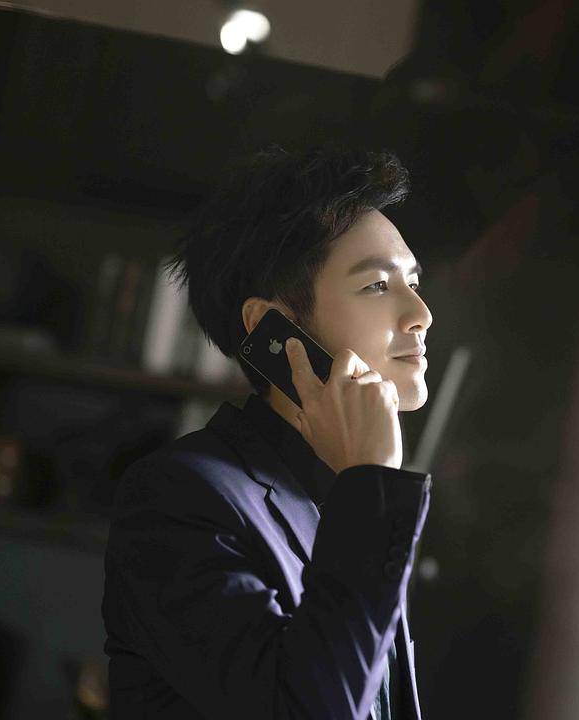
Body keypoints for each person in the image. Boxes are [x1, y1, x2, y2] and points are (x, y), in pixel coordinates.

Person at [101, 145, 434, 719]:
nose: (420, 313)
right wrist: (371, 481)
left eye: (413, 281)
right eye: (378, 286)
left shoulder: (340, 499)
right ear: (272, 328)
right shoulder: (178, 499)